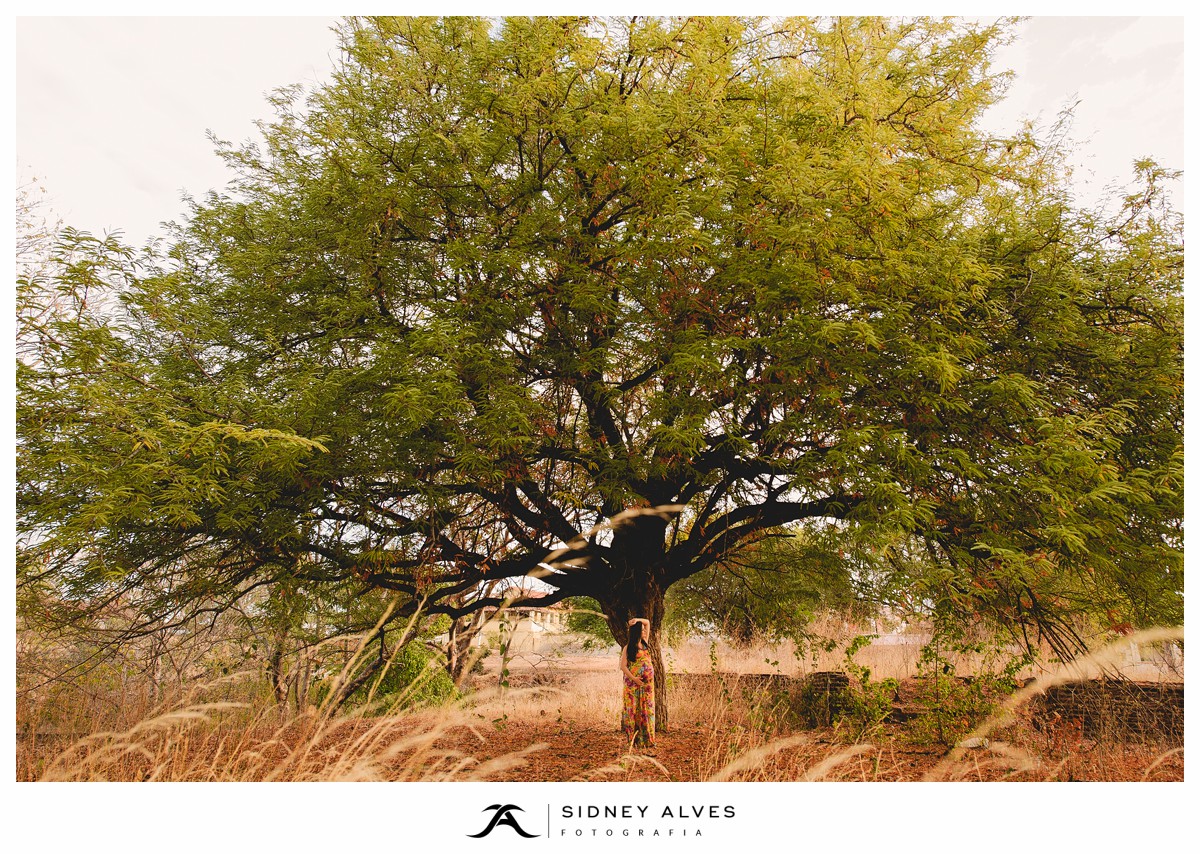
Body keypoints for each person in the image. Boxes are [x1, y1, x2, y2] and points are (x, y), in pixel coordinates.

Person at [620, 617, 655, 749]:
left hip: (647, 686)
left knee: (647, 711)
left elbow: (647, 623)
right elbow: (623, 667)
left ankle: (647, 740)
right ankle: (634, 741)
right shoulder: (628, 647)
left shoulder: (645, 643)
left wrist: (635, 620)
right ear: (636, 633)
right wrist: (635, 679)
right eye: (642, 631)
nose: (645, 632)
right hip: (633, 686)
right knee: (634, 712)